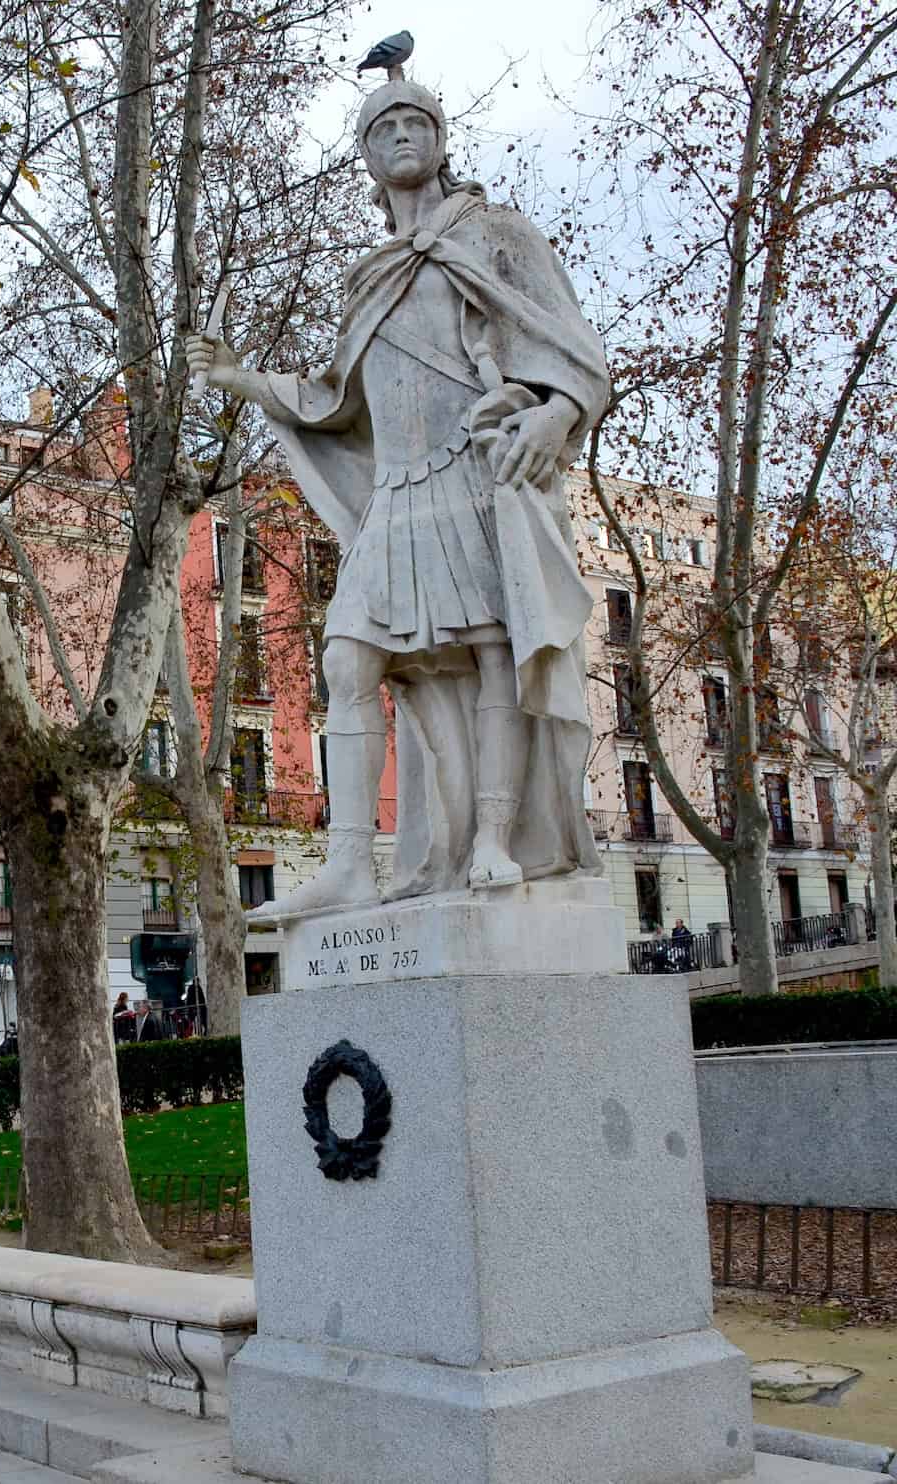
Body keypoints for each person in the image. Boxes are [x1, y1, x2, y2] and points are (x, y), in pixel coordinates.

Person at [188, 65, 608, 914]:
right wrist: (244, 380)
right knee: (347, 657)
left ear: (442, 140)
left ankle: (493, 839)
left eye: (417, 121)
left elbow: (575, 352)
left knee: (494, 652)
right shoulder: (370, 275)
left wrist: (554, 416)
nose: (404, 136)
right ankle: (348, 864)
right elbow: (338, 398)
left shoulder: (496, 236)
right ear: (369, 160)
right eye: (385, 129)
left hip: (478, 476)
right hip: (399, 494)